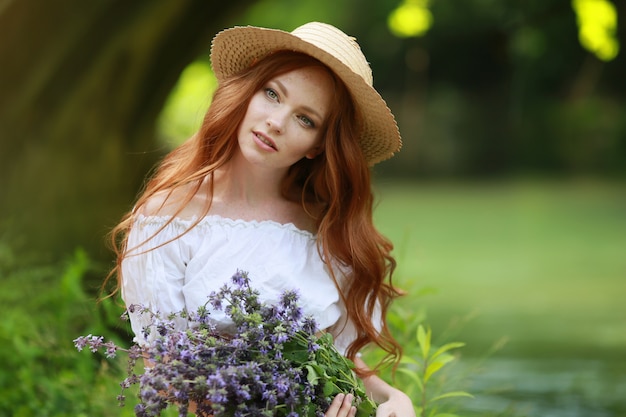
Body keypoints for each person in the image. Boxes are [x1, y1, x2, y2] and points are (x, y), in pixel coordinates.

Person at [108, 21, 415, 417]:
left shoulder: (327, 231)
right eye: (273, 94)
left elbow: (335, 363)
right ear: (249, 93)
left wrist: (392, 398)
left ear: (318, 145)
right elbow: (168, 373)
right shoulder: (170, 216)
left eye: (305, 119)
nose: (276, 121)